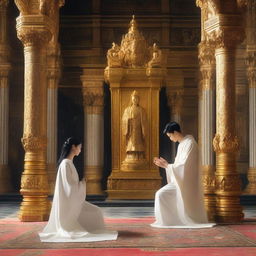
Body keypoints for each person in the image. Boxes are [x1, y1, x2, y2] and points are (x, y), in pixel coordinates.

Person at [39, 137, 118, 242]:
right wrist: (82, 183)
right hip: (69, 206)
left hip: (73, 202)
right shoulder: (65, 164)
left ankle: (92, 229)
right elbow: (69, 188)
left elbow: (71, 186)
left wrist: (81, 183)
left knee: (97, 211)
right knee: (96, 211)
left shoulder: (68, 163)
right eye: (79, 147)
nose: (80, 149)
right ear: (73, 147)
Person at [151, 122, 215, 228]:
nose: (170, 138)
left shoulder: (190, 143)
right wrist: (166, 166)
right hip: (180, 181)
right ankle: (170, 220)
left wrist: (167, 165)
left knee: (160, 194)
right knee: (160, 194)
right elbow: (179, 166)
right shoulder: (182, 144)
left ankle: (170, 221)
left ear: (175, 132)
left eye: (170, 136)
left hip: (187, 183)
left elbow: (185, 166)